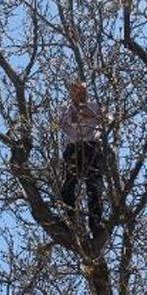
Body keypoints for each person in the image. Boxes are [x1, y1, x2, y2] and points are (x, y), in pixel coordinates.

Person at [59, 81, 105, 238]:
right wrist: (75, 109)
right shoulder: (66, 108)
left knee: (95, 186)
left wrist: (90, 113)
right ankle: (73, 222)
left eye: (82, 91)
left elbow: (109, 119)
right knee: (68, 186)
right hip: (74, 147)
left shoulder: (95, 105)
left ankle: (96, 223)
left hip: (92, 146)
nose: (79, 95)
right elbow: (63, 124)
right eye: (76, 92)